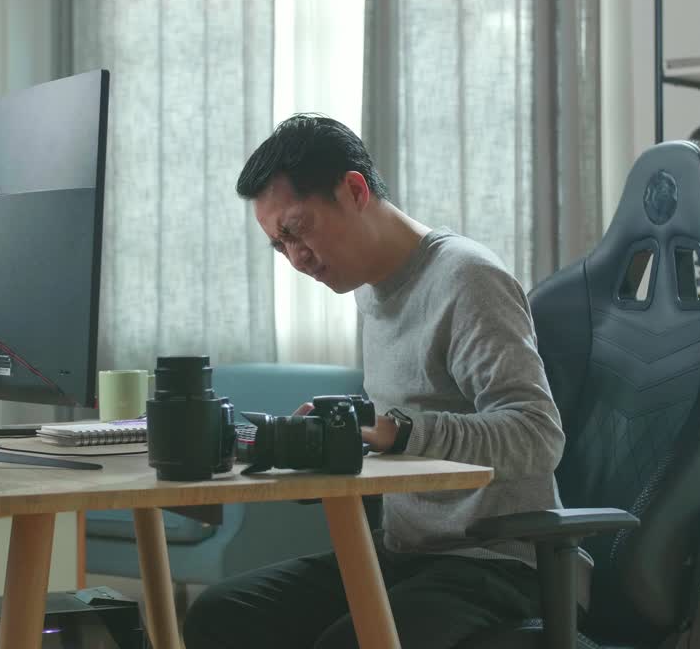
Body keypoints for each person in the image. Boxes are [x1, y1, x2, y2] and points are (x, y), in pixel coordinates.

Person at [182, 114, 565, 649]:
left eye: (297, 231)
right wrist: (340, 427)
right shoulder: (369, 289)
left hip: (491, 563)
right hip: (403, 552)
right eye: (279, 246)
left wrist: (398, 431)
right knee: (221, 614)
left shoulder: (468, 278)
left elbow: (536, 434)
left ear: (354, 190)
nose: (295, 259)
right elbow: (412, 404)